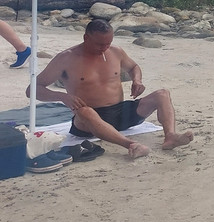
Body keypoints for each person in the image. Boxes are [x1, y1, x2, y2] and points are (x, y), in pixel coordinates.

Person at [30, 18, 193, 160]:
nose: (104, 48)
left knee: (162, 94)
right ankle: (131, 145)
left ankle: (170, 136)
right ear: (86, 37)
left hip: (121, 113)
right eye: (99, 44)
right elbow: (33, 89)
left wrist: (137, 79)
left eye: (108, 43)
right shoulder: (66, 58)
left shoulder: (116, 51)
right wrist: (61, 96)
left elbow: (134, 66)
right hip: (88, 120)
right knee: (85, 112)